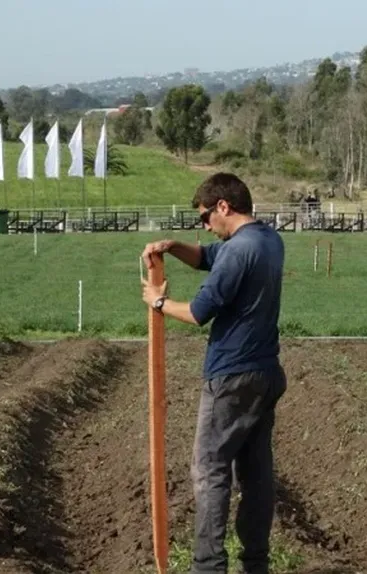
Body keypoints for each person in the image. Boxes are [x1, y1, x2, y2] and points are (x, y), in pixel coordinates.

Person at [140, 172, 288, 574]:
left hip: (231, 377)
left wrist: (157, 302)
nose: (204, 226)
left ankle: (207, 566)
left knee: (210, 470)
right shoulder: (267, 240)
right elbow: (208, 257)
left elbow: (197, 313)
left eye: (205, 218)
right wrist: (174, 247)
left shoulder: (239, 252)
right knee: (256, 472)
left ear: (223, 206)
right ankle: (255, 564)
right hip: (265, 372)